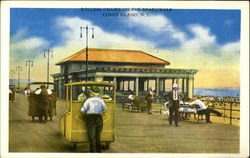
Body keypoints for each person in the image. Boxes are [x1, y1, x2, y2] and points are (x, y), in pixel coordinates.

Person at [80, 85, 107, 153]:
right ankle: (98, 150)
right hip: (99, 117)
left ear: (91, 93)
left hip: (90, 118)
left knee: (91, 135)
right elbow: (104, 109)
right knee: (97, 135)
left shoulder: (88, 100)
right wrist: (99, 111)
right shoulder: (101, 100)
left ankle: (92, 150)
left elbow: (82, 110)